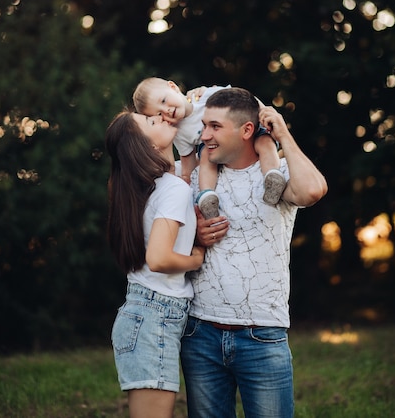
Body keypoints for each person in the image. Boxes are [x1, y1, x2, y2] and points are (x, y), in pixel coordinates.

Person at [180, 87, 328, 418]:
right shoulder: (197, 175)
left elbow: (313, 190)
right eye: (204, 126)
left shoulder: (276, 171)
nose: (204, 135)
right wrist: (196, 238)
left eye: (215, 127)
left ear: (247, 130)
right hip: (200, 332)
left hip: (262, 335)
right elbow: (160, 232)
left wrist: (282, 133)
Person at [105, 108, 205, 418]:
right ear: (146, 146)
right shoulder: (172, 188)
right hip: (153, 316)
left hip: (145, 312)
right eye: (150, 121)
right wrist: (195, 258)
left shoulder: (149, 186)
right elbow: (159, 258)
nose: (161, 117)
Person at [132, 77, 286, 219]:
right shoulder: (179, 132)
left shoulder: (206, 96)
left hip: (248, 125)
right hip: (214, 148)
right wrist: (185, 180)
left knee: (265, 143)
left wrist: (264, 113)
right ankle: (207, 196)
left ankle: (273, 176)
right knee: (205, 156)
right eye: (159, 113)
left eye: (164, 100)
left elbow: (244, 98)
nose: (166, 110)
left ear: (173, 87)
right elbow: (188, 161)